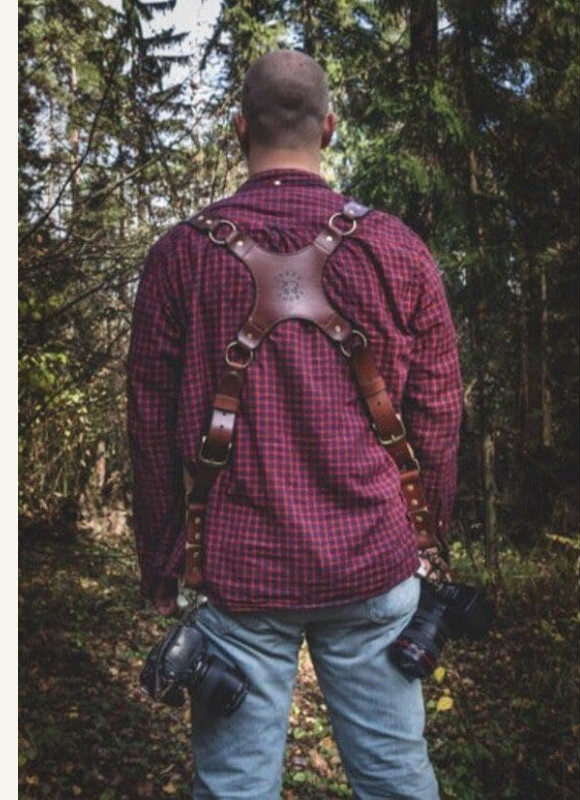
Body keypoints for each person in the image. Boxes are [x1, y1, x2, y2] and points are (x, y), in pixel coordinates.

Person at [127, 49, 462, 800]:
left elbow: (147, 425)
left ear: (239, 128)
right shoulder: (399, 249)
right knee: (397, 780)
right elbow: (440, 411)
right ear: (329, 128)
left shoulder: (179, 256)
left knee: (235, 787)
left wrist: (161, 558)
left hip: (237, 569)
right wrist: (428, 533)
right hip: (373, 558)